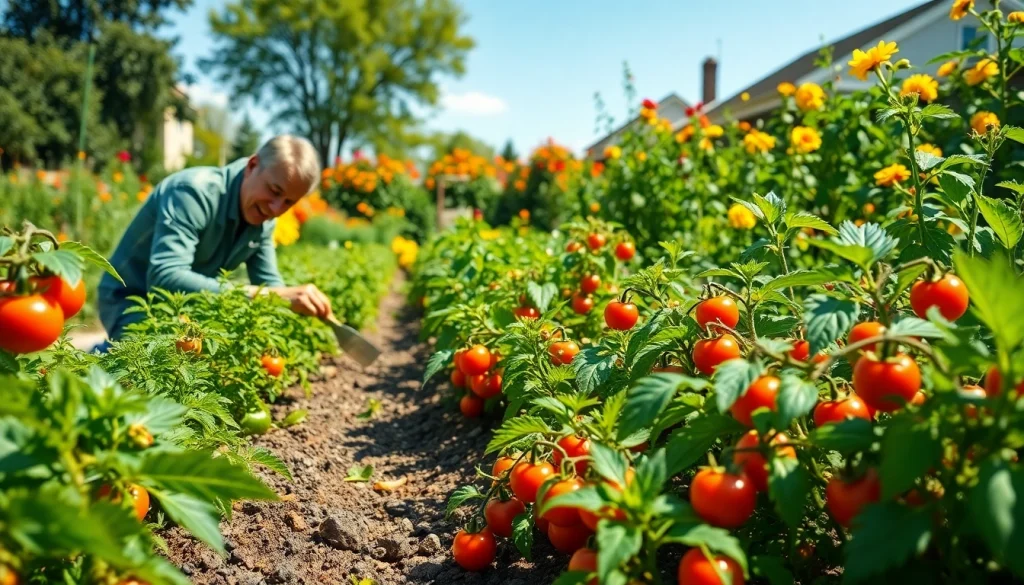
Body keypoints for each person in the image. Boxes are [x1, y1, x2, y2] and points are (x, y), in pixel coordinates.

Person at [97, 135, 334, 343]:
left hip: (184, 310)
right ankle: (103, 354)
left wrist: (299, 305)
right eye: (274, 191)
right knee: (163, 373)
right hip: (132, 299)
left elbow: (270, 284)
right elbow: (164, 278)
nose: (276, 209)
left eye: (289, 202)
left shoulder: (264, 217)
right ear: (253, 165)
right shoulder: (193, 192)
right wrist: (267, 296)